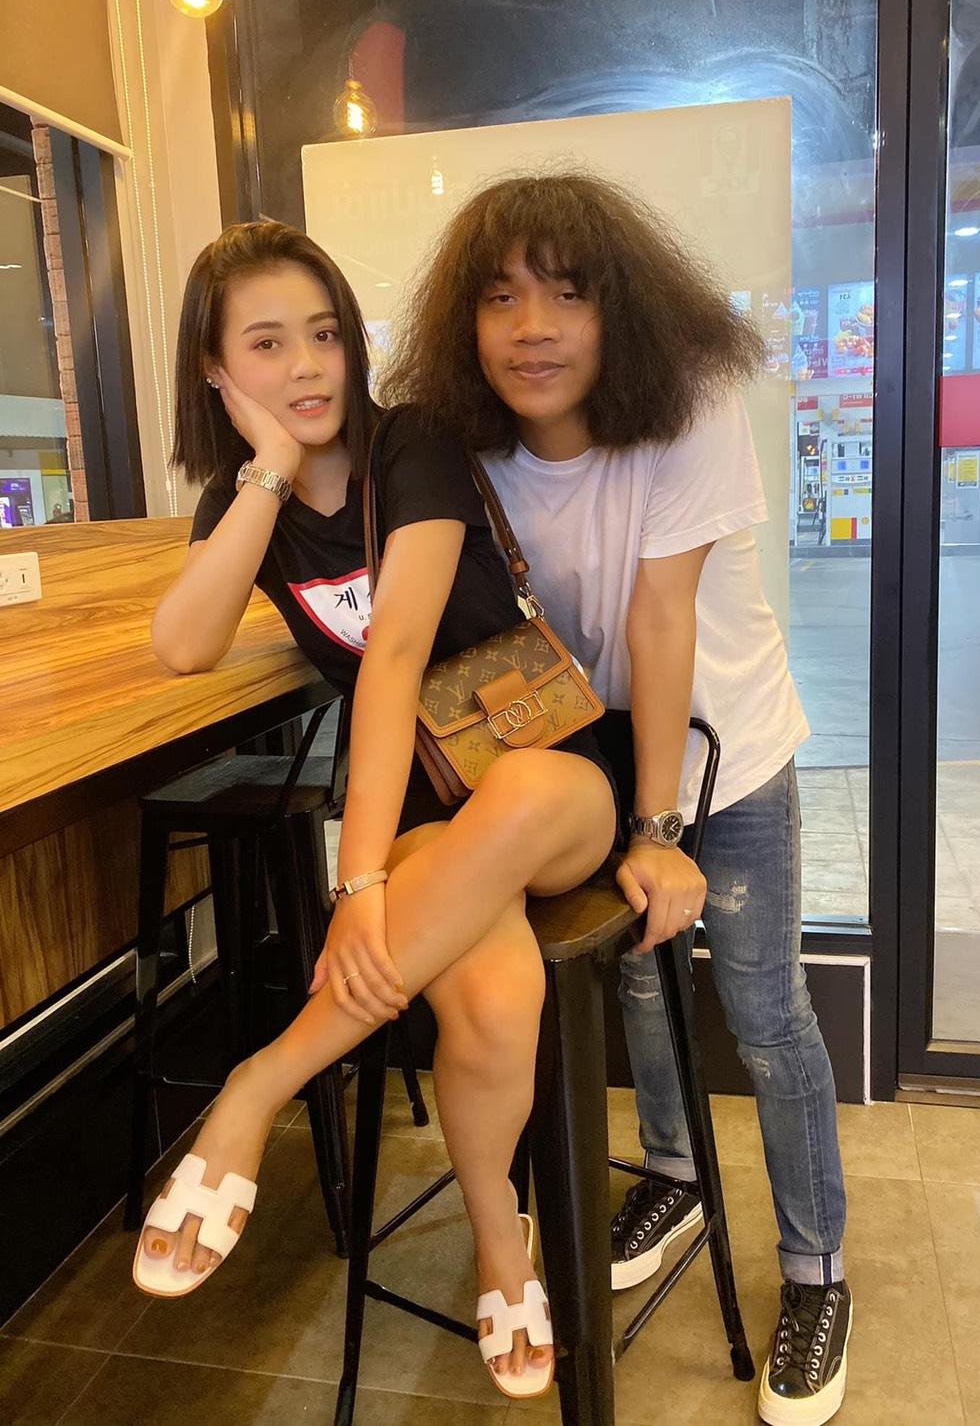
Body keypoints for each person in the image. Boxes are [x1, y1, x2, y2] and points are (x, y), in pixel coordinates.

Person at [381, 173, 851, 1426]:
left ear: (621, 309)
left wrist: (657, 829)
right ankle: (675, 1173)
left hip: (725, 752)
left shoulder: (688, 403)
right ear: (464, 322)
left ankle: (817, 1270)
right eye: (499, 297)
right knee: (639, 984)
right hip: (593, 757)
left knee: (764, 1011)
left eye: (567, 294)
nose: (531, 327)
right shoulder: (465, 444)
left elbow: (659, 617)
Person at [139, 220, 628, 1399]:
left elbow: (396, 652)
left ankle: (258, 1083)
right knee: (494, 998)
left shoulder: (413, 442)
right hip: (420, 807)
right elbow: (184, 643)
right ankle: (501, 1245)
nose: (309, 365)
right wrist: (264, 470)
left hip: (548, 773)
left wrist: (356, 886)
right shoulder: (243, 500)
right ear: (216, 369)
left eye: (324, 334)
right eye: (267, 344)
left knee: (518, 793)